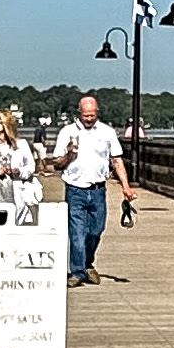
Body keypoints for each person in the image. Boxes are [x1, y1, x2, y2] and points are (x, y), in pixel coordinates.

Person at [43, 90, 125, 283]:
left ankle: (87, 263)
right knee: (77, 233)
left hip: (98, 189)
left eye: (92, 115)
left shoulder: (107, 132)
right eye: (85, 115)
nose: (89, 118)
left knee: (96, 230)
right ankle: (77, 272)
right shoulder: (67, 132)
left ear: (97, 112)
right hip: (75, 188)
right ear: (79, 113)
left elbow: (117, 160)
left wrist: (126, 187)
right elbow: (56, 164)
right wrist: (69, 155)